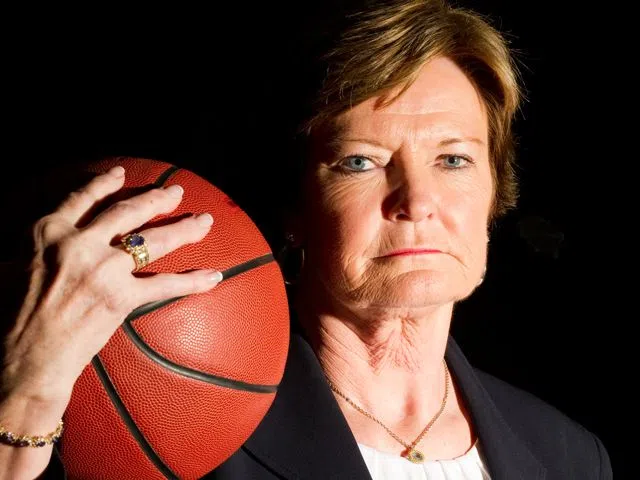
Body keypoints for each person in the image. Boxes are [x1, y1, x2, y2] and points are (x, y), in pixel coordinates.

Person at [1, 0, 613, 479]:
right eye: (360, 162)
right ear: (294, 206)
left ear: (494, 193)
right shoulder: (169, 431)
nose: (417, 201)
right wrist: (26, 396)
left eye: (453, 160)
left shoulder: (568, 456)